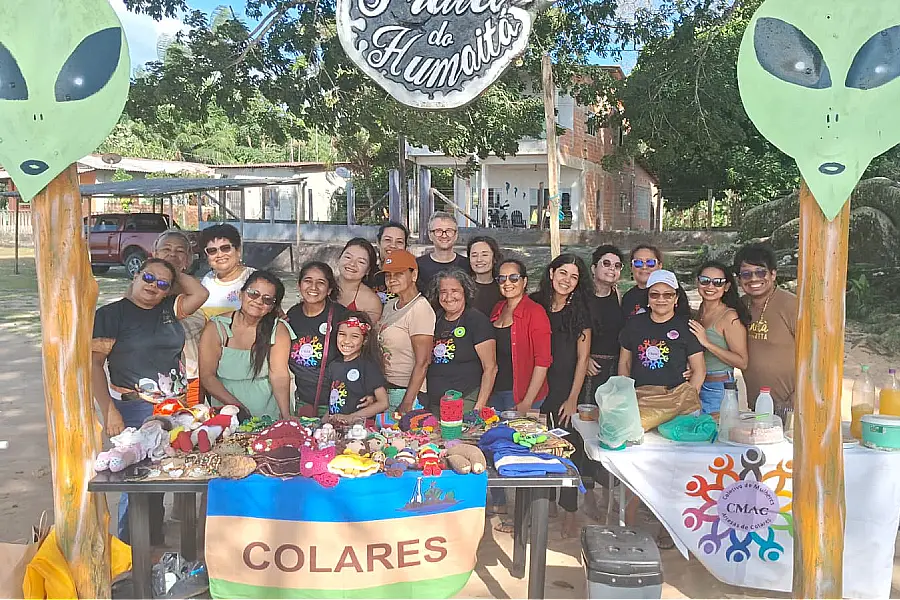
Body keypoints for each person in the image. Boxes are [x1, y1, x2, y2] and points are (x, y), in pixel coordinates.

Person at [91, 258, 209, 545]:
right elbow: (94, 365)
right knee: (138, 485)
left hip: (174, 409)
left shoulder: (169, 310)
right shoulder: (111, 314)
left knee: (166, 479)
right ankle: (131, 553)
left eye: (161, 284)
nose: (153, 287)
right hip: (134, 408)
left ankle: (155, 548)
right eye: (148, 278)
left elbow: (200, 294)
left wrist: (173, 270)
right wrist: (110, 412)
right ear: (135, 274)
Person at [530, 254, 593, 537]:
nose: (567, 280)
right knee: (540, 450)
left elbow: (582, 360)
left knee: (569, 452)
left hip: (566, 389)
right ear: (552, 272)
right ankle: (547, 507)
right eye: (563, 273)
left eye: (574, 276)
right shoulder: (536, 303)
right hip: (539, 387)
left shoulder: (580, 311)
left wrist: (573, 398)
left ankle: (570, 513)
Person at [198, 270, 294, 421]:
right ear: (241, 294)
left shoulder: (278, 329)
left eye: (267, 299)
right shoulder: (216, 327)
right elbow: (207, 377)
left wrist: (286, 415)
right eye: (253, 293)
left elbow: (279, 375)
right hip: (227, 411)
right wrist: (238, 408)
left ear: (272, 307)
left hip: (269, 412)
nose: (258, 301)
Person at [734, 243, 797, 413]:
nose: (753, 279)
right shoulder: (740, 306)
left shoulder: (793, 306)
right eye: (746, 274)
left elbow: (818, 356)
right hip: (757, 406)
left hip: (792, 406)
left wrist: (796, 398)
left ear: (773, 274)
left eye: (760, 272)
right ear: (739, 279)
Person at [619, 270, 706, 391]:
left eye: (668, 295)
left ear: (676, 298)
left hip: (676, 401)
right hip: (639, 400)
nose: (661, 299)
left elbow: (699, 371)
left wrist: (686, 401)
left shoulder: (687, 327)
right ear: (648, 298)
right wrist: (626, 396)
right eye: (654, 295)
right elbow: (625, 363)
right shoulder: (633, 324)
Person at [425, 268, 497, 412]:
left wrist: (478, 408)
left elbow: (491, 368)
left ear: (465, 292)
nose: (448, 297)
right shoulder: (434, 318)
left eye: (454, 291)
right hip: (435, 403)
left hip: (466, 400)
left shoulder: (476, 321)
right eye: (443, 291)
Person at [151, 230, 208, 407]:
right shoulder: (145, 289)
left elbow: (201, 294)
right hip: (156, 379)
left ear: (188, 259)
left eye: (180, 251)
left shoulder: (197, 288)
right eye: (166, 249)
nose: (172, 254)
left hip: (193, 377)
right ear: (154, 254)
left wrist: (172, 270)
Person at [489, 259, 552, 413]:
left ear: (524, 282)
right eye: (502, 278)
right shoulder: (498, 308)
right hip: (495, 392)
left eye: (514, 278)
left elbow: (542, 362)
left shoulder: (535, 312)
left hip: (521, 395)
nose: (507, 282)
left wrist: (527, 402)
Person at [378, 249, 436, 419]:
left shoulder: (420, 308)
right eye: (388, 275)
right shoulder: (390, 305)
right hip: (387, 389)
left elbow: (423, 361)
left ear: (414, 274)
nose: (392, 279)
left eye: (399, 274)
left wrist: (407, 403)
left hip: (409, 393)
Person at [688, 261, 751, 414]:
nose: (710, 287)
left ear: (726, 287)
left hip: (718, 389)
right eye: (705, 281)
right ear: (698, 282)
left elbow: (742, 362)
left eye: (718, 283)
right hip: (695, 384)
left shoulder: (730, 317)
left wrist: (707, 343)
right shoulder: (699, 312)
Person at [286, 262, 348, 416]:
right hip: (302, 400)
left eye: (321, 283)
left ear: (329, 290)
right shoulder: (292, 315)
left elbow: (359, 356)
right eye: (308, 281)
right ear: (299, 285)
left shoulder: (341, 315)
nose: (313, 287)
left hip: (337, 402)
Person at [326, 312, 390, 419]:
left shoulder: (368, 366)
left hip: (359, 429)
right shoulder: (334, 365)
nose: (346, 341)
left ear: (365, 340)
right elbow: (334, 402)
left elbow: (383, 403)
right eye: (342, 334)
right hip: (336, 426)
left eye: (354, 336)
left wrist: (351, 417)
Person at [587, 244, 626, 401]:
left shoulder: (618, 295)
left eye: (617, 266)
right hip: (588, 368)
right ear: (593, 268)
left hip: (614, 368)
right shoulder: (580, 297)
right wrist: (583, 360)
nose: (612, 269)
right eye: (606, 263)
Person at [199, 224, 255, 318]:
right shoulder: (207, 280)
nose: (219, 254)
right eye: (212, 250)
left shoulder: (254, 278)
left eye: (225, 248)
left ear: (238, 250)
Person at [621, 244, 690, 319]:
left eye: (650, 262)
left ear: (660, 265)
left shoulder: (672, 290)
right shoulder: (628, 298)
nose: (644, 267)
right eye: (638, 262)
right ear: (631, 267)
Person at [416, 211, 469, 292]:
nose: (444, 235)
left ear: (456, 234)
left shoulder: (467, 265)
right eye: (438, 231)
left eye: (449, 231)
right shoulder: (417, 266)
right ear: (430, 235)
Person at [336, 238, 383, 324]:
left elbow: (367, 334)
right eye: (348, 257)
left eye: (361, 262)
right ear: (339, 258)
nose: (352, 264)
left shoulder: (371, 302)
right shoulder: (323, 285)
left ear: (368, 270)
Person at [370, 221, 409, 304]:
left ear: (405, 247)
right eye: (387, 240)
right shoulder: (368, 274)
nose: (393, 245)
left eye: (399, 242)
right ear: (378, 242)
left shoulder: (411, 277)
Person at [467, 235, 503, 317]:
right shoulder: (463, 287)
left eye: (485, 255)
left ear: (494, 258)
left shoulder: (504, 287)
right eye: (474, 255)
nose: (479, 259)